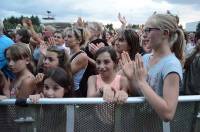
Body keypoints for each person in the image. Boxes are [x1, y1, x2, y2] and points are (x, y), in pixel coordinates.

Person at [121, 12, 183, 121]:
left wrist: (141, 81)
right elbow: (139, 92)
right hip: (138, 123)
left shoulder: (171, 66)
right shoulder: (145, 58)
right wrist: (131, 79)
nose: (143, 34)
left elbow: (168, 114)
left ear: (165, 33)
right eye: (144, 30)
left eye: (148, 30)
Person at [64, 27, 88, 97]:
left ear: (79, 40)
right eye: (65, 36)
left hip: (73, 93)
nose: (65, 39)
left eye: (69, 36)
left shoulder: (82, 56)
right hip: (67, 91)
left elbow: (65, 74)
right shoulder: (68, 53)